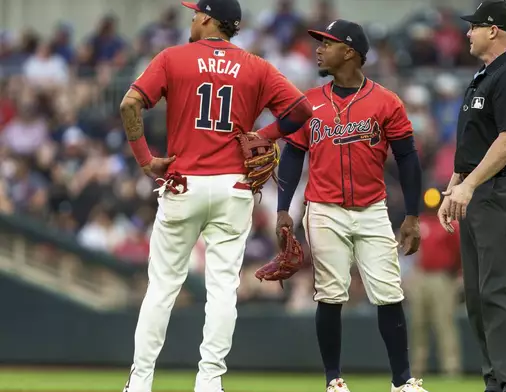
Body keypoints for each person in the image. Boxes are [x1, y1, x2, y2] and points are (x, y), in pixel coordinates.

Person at [119, 1, 313, 391]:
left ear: (207, 17)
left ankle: (140, 383)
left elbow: (129, 103)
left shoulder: (174, 57)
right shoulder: (256, 65)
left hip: (183, 183)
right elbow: (300, 110)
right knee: (222, 289)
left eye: (195, 13)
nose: (192, 18)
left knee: (161, 289)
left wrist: (145, 161)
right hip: (233, 188)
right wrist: (265, 136)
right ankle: (209, 382)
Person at [264, 19, 427, 392]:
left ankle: (402, 381)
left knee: (389, 292)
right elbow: (292, 156)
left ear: (349, 52)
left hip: (372, 208)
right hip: (323, 208)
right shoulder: (309, 103)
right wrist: (283, 208)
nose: (319, 49)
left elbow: (408, 159)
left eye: (327, 43)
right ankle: (333, 380)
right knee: (330, 293)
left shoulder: (386, 101)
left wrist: (413, 216)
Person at [437, 1, 506, 392]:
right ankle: (497, 381)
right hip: (479, 190)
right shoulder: (486, 76)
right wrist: (455, 185)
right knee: (480, 297)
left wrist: (468, 184)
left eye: (474, 26)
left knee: (498, 290)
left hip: (500, 190)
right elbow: (475, 143)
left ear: (493, 30)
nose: (468, 32)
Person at [408, 190, 462, 378]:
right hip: (421, 275)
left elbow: (458, 251)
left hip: (442, 278)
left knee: (444, 323)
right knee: (418, 323)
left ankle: (450, 368)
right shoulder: (419, 221)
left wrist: (455, 273)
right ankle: (417, 368)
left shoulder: (448, 223)